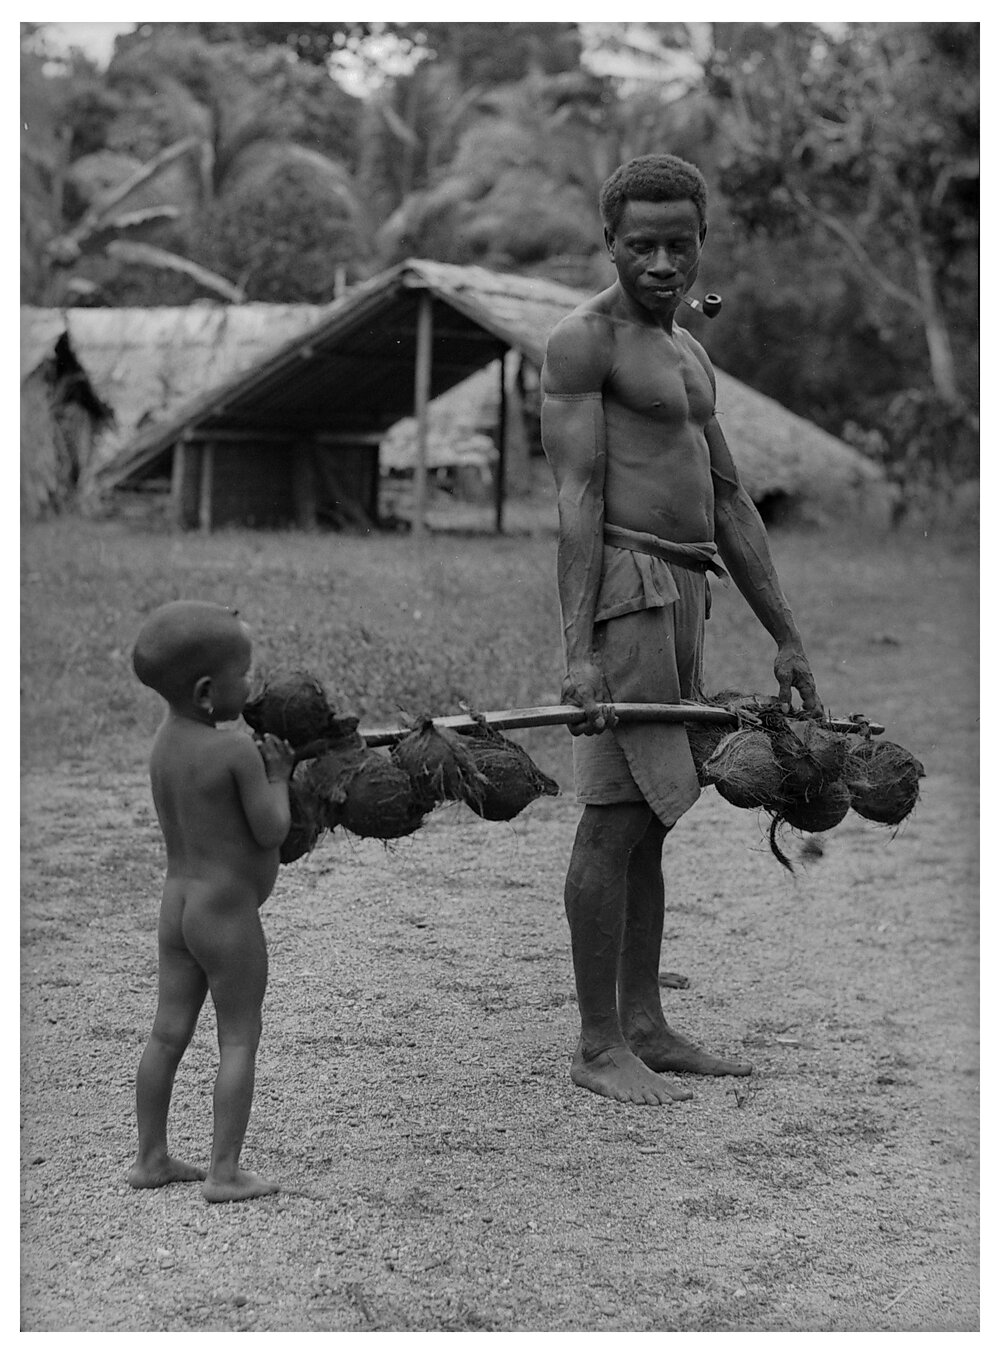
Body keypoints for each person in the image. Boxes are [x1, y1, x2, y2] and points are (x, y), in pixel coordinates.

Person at [541, 154, 822, 1106]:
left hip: (688, 590)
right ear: (609, 241)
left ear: (702, 243)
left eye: (680, 244)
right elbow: (578, 498)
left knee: (654, 818)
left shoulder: (690, 353)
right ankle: (594, 1044)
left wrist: (786, 635)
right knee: (615, 814)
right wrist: (578, 654)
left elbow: (731, 499)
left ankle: (645, 1024)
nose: (663, 263)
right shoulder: (583, 343)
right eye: (642, 244)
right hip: (627, 589)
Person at [126, 600, 295, 1201]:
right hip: (225, 914)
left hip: (178, 906)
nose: (252, 685)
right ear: (206, 692)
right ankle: (225, 1173)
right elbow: (271, 829)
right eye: (244, 675)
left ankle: (151, 1157)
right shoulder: (234, 753)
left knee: (167, 1034)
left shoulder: (164, 744)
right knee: (238, 1037)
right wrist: (278, 774)